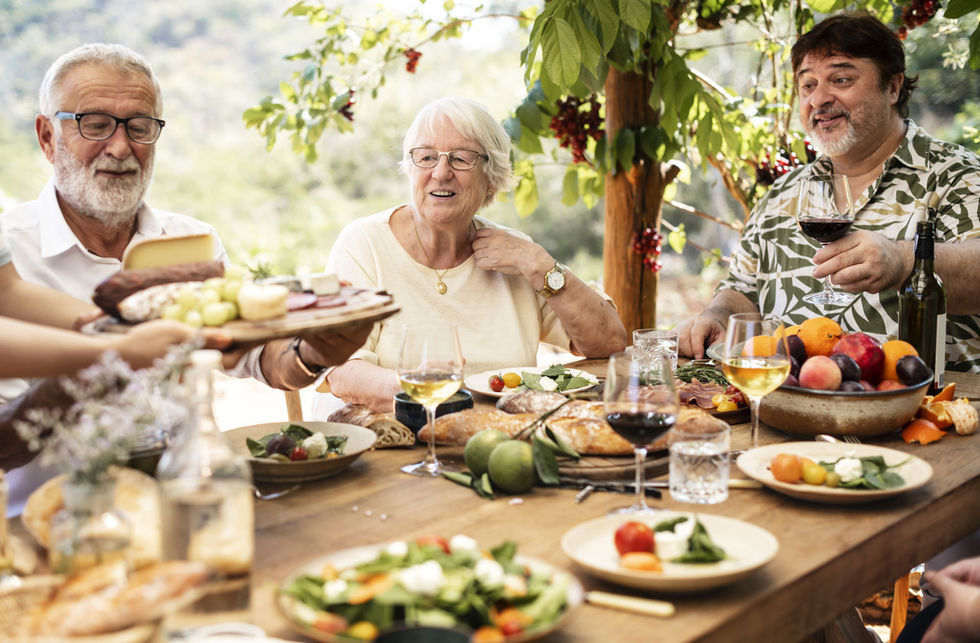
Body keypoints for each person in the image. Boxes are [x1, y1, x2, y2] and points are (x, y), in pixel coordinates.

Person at [0, 43, 371, 512]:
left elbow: (256, 355)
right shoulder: (11, 250)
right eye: (94, 124)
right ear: (47, 137)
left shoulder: (193, 238)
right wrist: (110, 361)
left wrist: (313, 355)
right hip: (56, 524)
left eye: (139, 127)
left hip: (187, 504)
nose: (119, 147)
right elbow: (4, 446)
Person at [677, 12, 980, 373]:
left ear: (893, 87)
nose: (819, 99)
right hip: (785, 408)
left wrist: (904, 261)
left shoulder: (957, 174)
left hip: (921, 413)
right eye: (807, 85)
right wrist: (718, 314)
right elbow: (742, 290)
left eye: (840, 79)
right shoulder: (784, 192)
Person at [312, 97, 627, 413]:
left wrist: (540, 264)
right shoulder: (364, 245)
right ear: (410, 169)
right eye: (426, 157)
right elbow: (341, 372)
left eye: (461, 159)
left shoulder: (516, 253)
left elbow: (608, 342)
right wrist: (428, 393)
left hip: (505, 440)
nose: (441, 172)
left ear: (491, 180)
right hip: (402, 442)